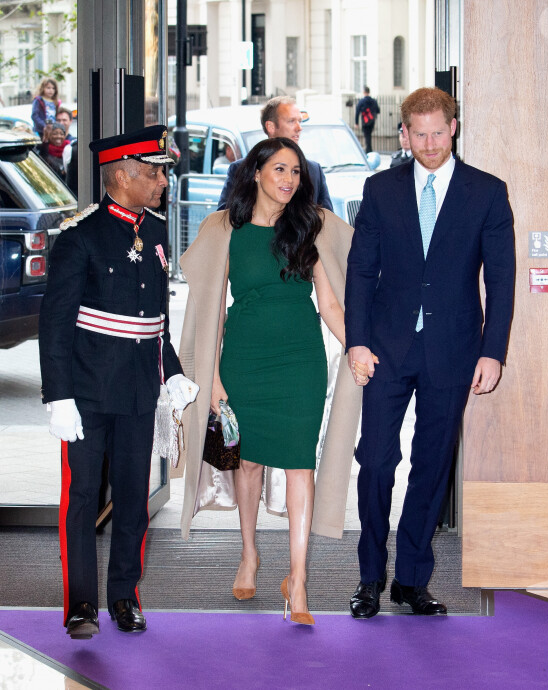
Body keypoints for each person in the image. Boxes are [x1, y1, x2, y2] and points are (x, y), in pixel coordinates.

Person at [178, 137, 366, 626]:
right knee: (249, 464)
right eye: (279, 169)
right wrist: (213, 376)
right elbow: (211, 312)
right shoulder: (224, 229)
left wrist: (357, 345)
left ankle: (298, 580)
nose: (289, 180)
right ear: (256, 172)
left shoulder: (311, 225)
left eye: (296, 172)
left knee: (300, 465)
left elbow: (329, 305)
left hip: (299, 361)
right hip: (244, 359)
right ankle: (249, 554)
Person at [345, 87, 515, 618]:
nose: (429, 143)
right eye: (418, 134)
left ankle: (412, 580)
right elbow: (360, 271)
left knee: (431, 467)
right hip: (386, 349)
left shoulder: (486, 192)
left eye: (438, 132)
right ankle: (370, 576)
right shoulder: (379, 190)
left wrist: (494, 352)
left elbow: (502, 281)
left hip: (454, 348)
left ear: (454, 128)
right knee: (375, 463)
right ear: (404, 135)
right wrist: (356, 341)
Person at [38, 125, 199, 639]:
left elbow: (155, 319)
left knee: (132, 496)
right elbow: (56, 324)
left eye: (161, 174)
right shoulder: (79, 236)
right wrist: (57, 395)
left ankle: (124, 596)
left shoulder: (153, 231)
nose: (161, 183)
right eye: (153, 173)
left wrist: (170, 371)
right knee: (84, 497)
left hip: (135, 390)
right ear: (121, 175)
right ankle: (81, 604)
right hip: (84, 393)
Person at [217, 96, 333, 212]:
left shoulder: (314, 170)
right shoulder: (241, 169)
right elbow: (224, 219)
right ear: (271, 127)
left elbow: (328, 223)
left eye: (299, 121)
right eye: (291, 121)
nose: (299, 128)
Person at [355, 86, 380, 154]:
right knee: (369, 135)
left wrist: (356, 123)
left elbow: (357, 112)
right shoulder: (374, 101)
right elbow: (378, 110)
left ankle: (368, 150)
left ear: (364, 92)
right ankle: (369, 149)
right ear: (369, 92)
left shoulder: (361, 101)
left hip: (365, 121)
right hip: (372, 121)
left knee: (367, 135)